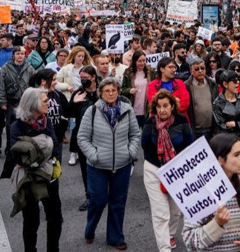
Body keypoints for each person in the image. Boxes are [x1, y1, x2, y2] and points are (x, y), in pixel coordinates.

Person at [77, 77, 140, 249]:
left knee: (118, 202)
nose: (111, 93)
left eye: (114, 90)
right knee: (97, 200)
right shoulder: (92, 111)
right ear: (101, 93)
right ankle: (90, 229)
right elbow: (82, 138)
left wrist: (130, 152)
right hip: (97, 166)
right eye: (107, 91)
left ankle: (115, 237)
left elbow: (135, 134)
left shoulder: (127, 110)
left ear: (118, 92)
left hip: (122, 164)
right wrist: (93, 155)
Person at [184, 134, 240, 251]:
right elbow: (189, 241)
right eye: (236, 154)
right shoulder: (199, 192)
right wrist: (217, 224)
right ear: (220, 160)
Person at [9, 87, 63, 252]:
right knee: (32, 221)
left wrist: (33, 150)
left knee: (55, 218)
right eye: (45, 101)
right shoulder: (17, 126)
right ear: (33, 104)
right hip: (29, 180)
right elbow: (18, 157)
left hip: (49, 177)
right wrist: (43, 150)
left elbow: (55, 149)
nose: (48, 103)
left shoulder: (46, 121)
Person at [141, 89, 194, 251]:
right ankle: (164, 247)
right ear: (154, 108)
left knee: (175, 211)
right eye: (158, 106)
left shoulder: (181, 120)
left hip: (177, 172)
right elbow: (145, 145)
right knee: (161, 213)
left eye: (165, 106)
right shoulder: (150, 123)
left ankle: (170, 234)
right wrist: (162, 163)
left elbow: (189, 143)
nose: (162, 110)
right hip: (154, 171)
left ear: (172, 106)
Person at [62, 65, 100, 211]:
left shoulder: (102, 91)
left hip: (102, 136)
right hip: (84, 136)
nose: (83, 81)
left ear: (93, 77)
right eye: (81, 78)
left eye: (86, 78)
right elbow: (68, 114)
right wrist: (74, 102)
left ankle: (102, 194)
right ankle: (89, 196)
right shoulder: (79, 93)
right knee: (85, 168)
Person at [0, 46, 34, 152]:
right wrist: (2, 101)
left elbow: (34, 84)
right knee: (10, 126)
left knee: (26, 124)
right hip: (11, 100)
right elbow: (0, 86)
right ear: (13, 55)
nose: (20, 56)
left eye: (22, 54)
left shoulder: (30, 68)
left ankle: (24, 146)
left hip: (25, 101)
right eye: (17, 53)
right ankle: (10, 146)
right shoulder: (5, 68)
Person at [146, 57, 191, 122]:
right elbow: (154, 104)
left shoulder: (180, 83)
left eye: (174, 67)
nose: (173, 70)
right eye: (170, 67)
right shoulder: (152, 85)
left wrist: (166, 107)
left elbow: (185, 103)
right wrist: (175, 100)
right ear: (162, 69)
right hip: (160, 123)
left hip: (179, 122)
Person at [120, 50, 155, 128]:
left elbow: (155, 87)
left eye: (144, 61)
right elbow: (122, 89)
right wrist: (129, 90)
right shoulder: (128, 72)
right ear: (135, 61)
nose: (142, 63)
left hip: (147, 109)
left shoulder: (150, 71)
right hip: (133, 108)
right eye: (140, 61)